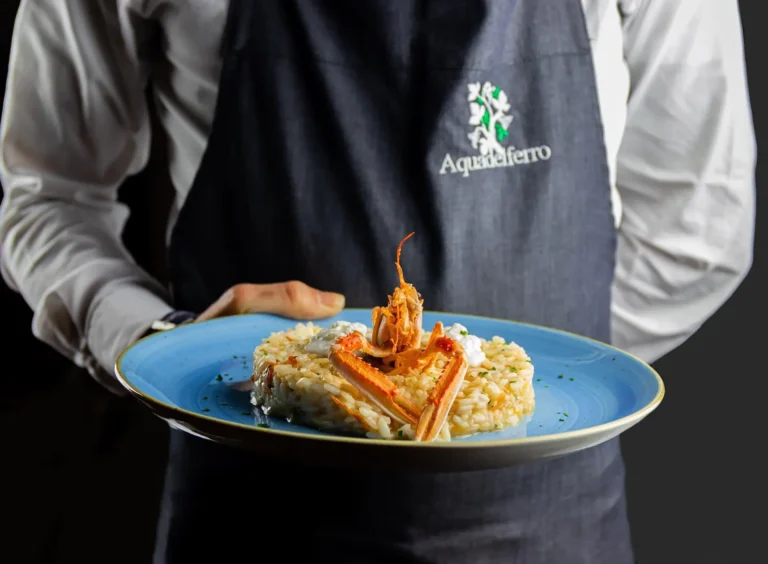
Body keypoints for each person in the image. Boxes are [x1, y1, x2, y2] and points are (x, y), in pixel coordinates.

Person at [0, 1, 755, 562]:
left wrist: (542, 380)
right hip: (250, 521)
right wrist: (160, 344)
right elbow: (48, 194)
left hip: (550, 526)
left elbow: (700, 224)